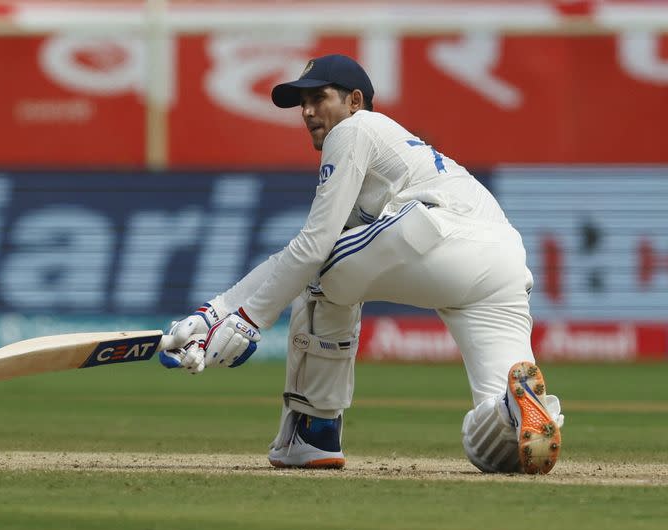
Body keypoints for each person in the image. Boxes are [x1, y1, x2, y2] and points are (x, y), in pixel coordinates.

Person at [159, 54, 564, 474]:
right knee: (494, 445)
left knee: (322, 277)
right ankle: (519, 412)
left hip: (439, 230)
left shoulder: (353, 128)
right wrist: (214, 313)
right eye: (302, 102)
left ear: (355, 100)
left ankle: (313, 433)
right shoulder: (392, 152)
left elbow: (312, 250)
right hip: (504, 260)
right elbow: (297, 255)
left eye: (319, 97)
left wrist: (247, 319)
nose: (308, 111)